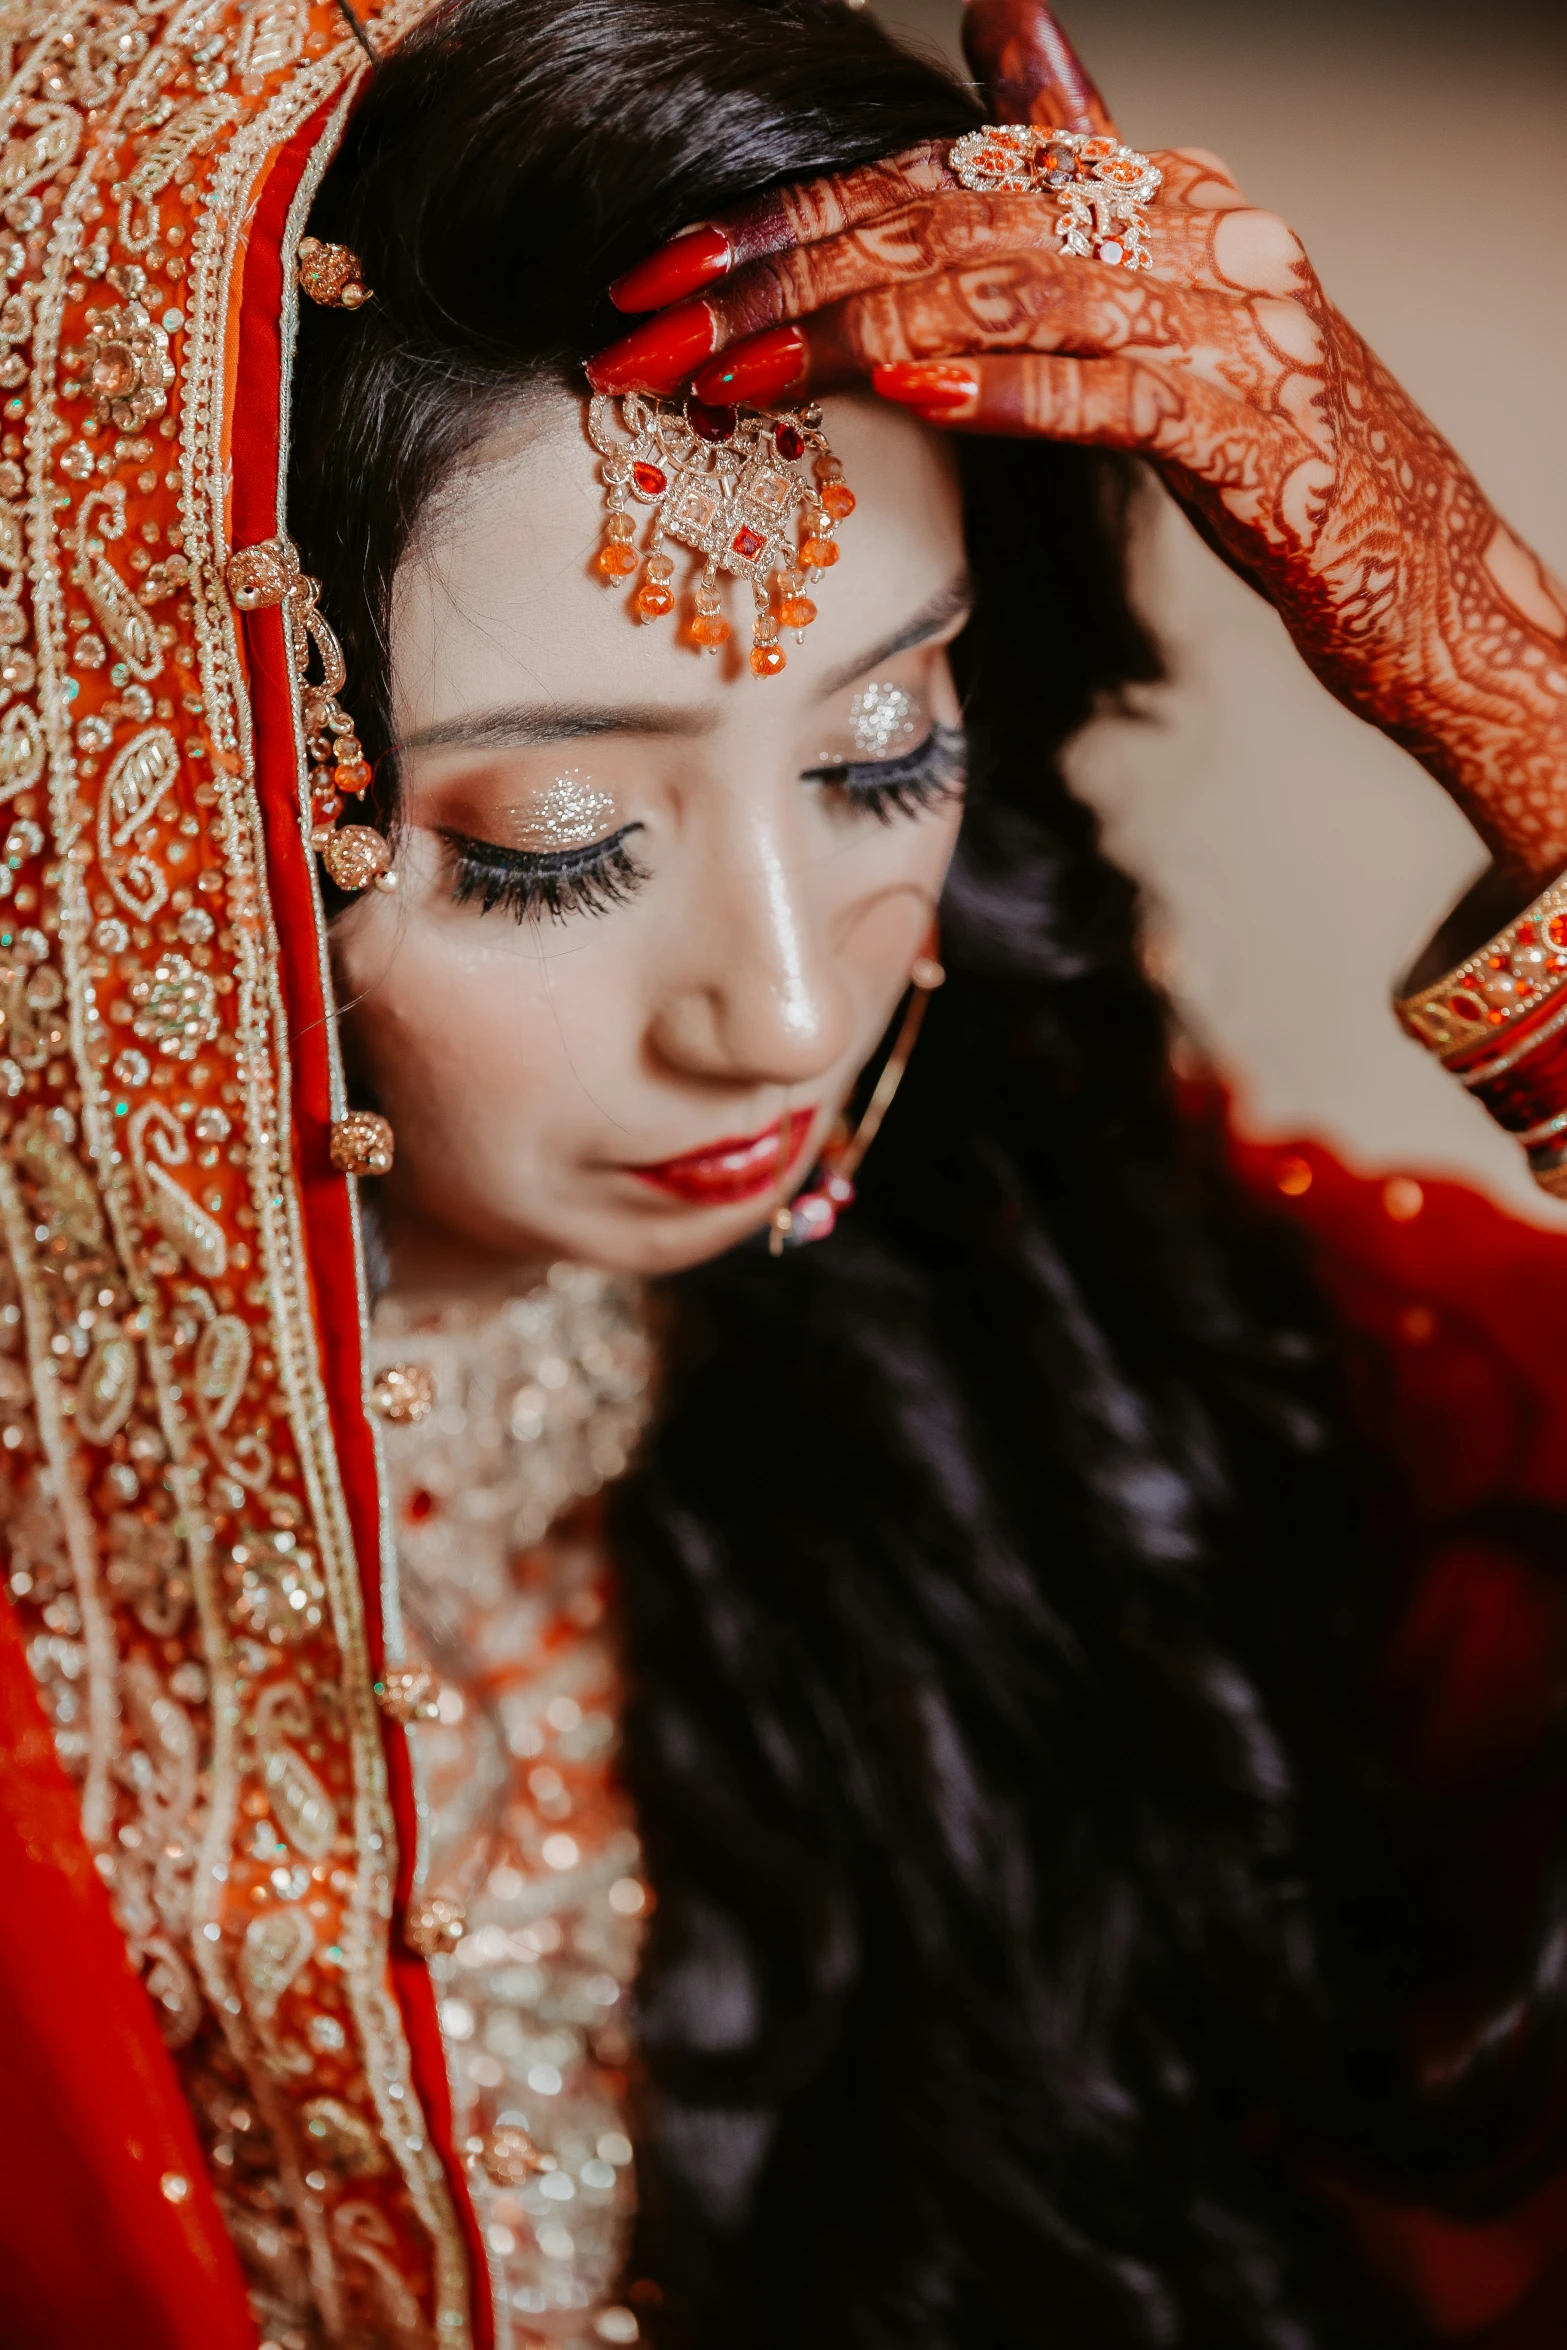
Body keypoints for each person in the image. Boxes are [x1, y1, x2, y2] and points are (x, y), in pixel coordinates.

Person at [0, 1, 1565, 2346]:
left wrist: (1493, 668)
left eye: (881, 750)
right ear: (103, 851)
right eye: (557, 844)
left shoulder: (1085, 1348)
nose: (792, 1013)